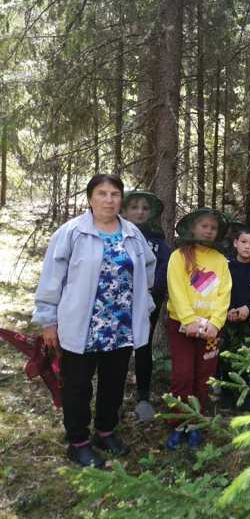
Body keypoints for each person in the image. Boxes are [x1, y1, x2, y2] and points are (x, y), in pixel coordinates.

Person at [33, 174, 156, 468]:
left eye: (115, 194)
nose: (109, 199)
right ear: (90, 198)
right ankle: (78, 442)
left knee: (113, 383)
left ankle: (105, 431)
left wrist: (145, 303)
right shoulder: (72, 233)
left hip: (121, 325)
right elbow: (52, 279)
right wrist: (49, 321)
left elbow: (147, 269)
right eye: (102, 193)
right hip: (82, 325)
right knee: (77, 386)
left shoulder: (132, 234)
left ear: (120, 200)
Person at [165, 208, 232, 450]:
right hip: (181, 325)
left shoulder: (220, 260)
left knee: (204, 377)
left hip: (211, 330)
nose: (209, 230)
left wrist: (215, 323)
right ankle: (177, 423)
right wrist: (188, 320)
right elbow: (176, 290)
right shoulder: (178, 256)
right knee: (183, 375)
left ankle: (196, 423)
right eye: (204, 225)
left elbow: (224, 293)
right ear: (192, 228)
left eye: (213, 227)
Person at [121, 190, 172, 422]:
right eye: (134, 207)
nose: (140, 212)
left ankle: (143, 396)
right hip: (118, 302)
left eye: (144, 208)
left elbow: (163, 267)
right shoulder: (116, 233)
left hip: (149, 302)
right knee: (117, 350)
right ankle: (112, 396)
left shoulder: (157, 240)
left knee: (143, 346)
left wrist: (153, 291)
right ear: (124, 210)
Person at [219, 226, 250, 404]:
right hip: (225, 319)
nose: (247, 246)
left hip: (249, 322)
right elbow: (216, 290)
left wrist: (249, 308)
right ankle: (224, 396)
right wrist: (228, 309)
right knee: (225, 356)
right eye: (244, 242)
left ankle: (244, 398)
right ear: (235, 243)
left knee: (246, 357)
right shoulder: (225, 265)